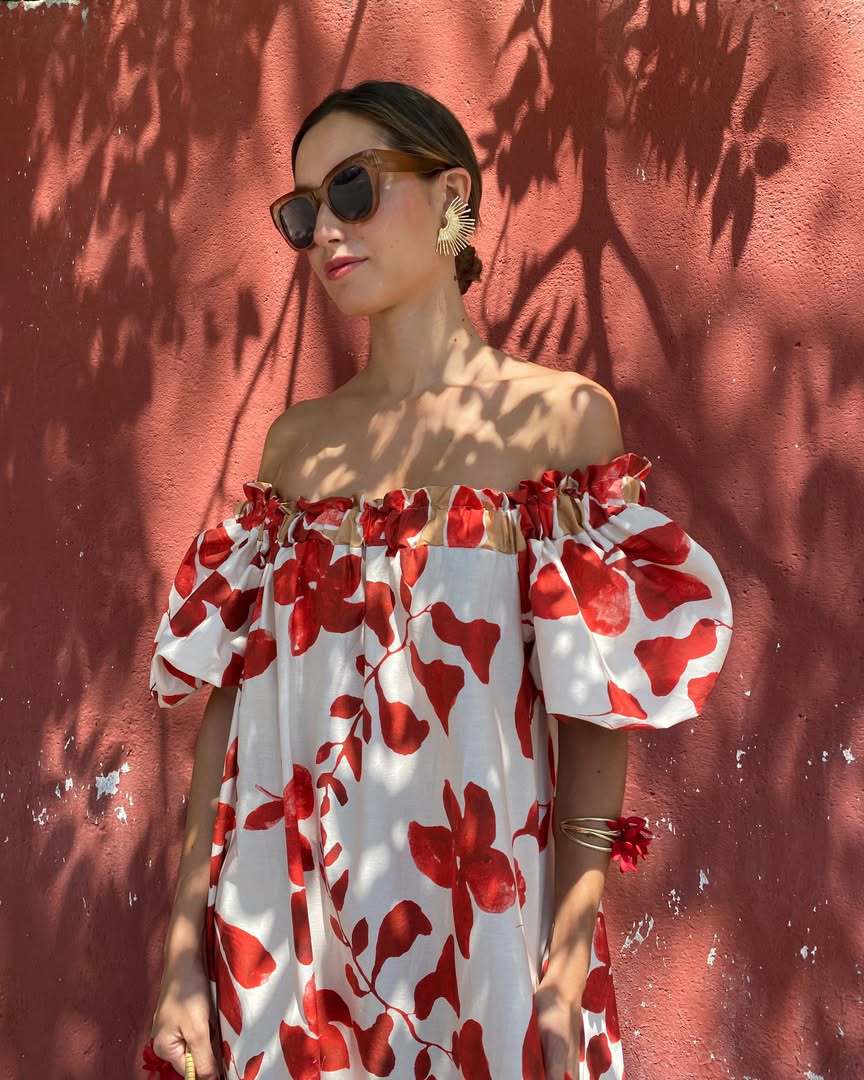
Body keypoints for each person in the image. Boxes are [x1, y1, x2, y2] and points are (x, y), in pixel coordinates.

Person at [144, 79, 734, 1080]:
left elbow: (596, 708)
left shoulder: (559, 423)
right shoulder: (298, 448)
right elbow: (233, 704)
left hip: (482, 922)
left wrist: (565, 964)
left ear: (453, 195)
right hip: (284, 922)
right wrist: (177, 955)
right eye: (303, 214)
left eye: (352, 188)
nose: (326, 230)